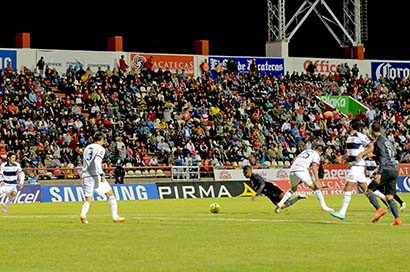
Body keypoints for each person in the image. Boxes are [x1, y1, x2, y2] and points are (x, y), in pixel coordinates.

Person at [357, 121, 402, 225]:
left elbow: (382, 157)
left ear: (372, 130)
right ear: (380, 129)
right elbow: (393, 153)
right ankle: (397, 219)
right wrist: (374, 156)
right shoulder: (387, 141)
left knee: (368, 190)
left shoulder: (378, 142)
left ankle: (379, 209)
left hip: (385, 169)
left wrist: (380, 173)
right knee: (389, 196)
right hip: (394, 168)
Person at [80, 132, 125, 224]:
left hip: (85, 175)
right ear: (102, 139)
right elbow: (96, 161)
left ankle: (83, 215)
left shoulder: (87, 148)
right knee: (110, 194)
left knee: (89, 198)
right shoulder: (100, 148)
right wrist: (101, 173)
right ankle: (115, 216)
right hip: (95, 175)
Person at [330, 119, 371, 220]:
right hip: (354, 164)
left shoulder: (360, 135)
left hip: (358, 165)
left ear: (352, 126)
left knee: (348, 187)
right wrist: (343, 158)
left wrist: (361, 154)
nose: (347, 126)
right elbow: (350, 153)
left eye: (348, 125)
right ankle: (387, 203)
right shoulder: (349, 138)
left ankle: (342, 212)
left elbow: (371, 146)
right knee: (367, 189)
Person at [275, 144, 334, 213]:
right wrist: (317, 181)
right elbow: (314, 168)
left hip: (292, 170)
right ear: (321, 152)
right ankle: (324, 207)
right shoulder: (316, 155)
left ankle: (281, 203)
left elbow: (295, 158)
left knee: (293, 189)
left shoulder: (306, 151)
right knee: (316, 188)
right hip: (301, 170)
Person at [242, 165, 307, 211]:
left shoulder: (255, 177)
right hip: (269, 194)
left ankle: (298, 182)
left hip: (272, 189)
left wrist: (256, 194)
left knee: (285, 199)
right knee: (282, 206)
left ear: (248, 171)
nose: (244, 175)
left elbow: (262, 184)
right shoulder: (251, 179)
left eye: (245, 173)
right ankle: (298, 197)